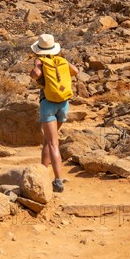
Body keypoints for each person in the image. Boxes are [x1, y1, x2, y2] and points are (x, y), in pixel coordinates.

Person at [30, 33, 78, 193]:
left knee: (52, 143)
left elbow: (36, 75)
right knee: (48, 140)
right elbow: (75, 71)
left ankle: (58, 181)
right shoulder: (61, 60)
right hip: (63, 105)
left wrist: (35, 70)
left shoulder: (40, 61)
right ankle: (43, 172)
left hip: (48, 105)